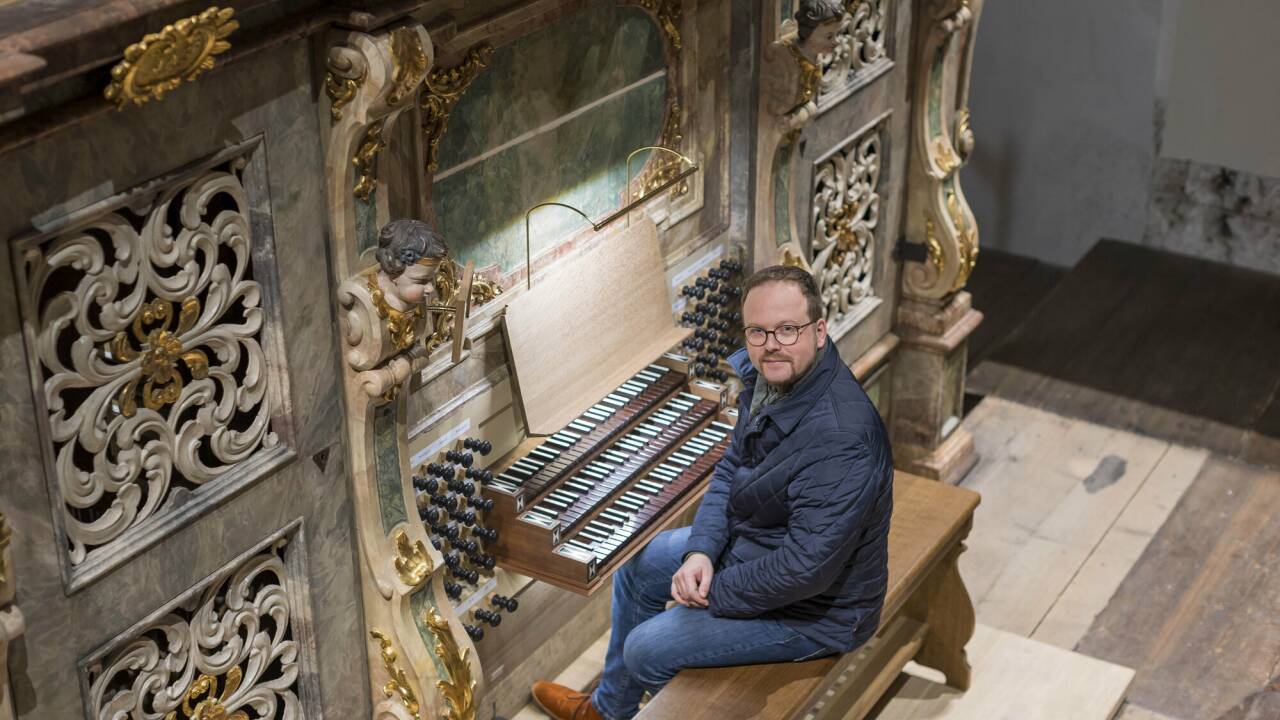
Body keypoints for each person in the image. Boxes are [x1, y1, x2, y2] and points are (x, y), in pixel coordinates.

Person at [532, 265, 894, 720]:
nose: (771, 344)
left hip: (820, 614)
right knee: (639, 566)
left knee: (647, 650)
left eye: (787, 329)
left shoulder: (840, 438)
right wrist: (700, 553)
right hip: (763, 549)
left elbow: (806, 570)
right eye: (757, 332)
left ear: (819, 331)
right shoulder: (774, 380)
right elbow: (731, 470)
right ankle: (609, 711)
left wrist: (712, 590)